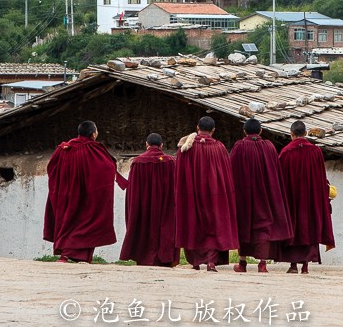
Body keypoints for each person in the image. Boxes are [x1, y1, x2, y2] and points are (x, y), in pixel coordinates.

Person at [43, 120, 128, 263]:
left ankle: (69, 255)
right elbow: (107, 168)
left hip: (67, 195)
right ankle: (74, 255)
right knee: (88, 222)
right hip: (87, 196)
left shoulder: (64, 148)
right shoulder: (94, 149)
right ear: (93, 134)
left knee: (68, 221)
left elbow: (52, 169)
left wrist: (62, 187)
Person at [229, 118, 293, 273]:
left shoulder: (239, 147)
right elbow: (276, 172)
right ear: (260, 131)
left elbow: (231, 172)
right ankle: (262, 264)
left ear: (244, 131)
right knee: (263, 226)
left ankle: (242, 263)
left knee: (243, 225)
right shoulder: (269, 147)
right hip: (265, 194)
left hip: (244, 195)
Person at [175, 116, 238, 272]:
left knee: (194, 223)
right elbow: (226, 176)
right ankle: (211, 262)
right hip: (215, 195)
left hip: (192, 194)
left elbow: (179, 175)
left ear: (197, 127)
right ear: (213, 130)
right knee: (214, 224)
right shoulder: (219, 148)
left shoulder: (186, 148)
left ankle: (195, 262)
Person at [277, 120, 335, 274]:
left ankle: (293, 265)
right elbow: (321, 177)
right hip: (311, 199)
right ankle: (305, 265)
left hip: (292, 199)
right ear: (306, 133)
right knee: (309, 227)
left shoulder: (285, 152)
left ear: (291, 134)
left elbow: (280, 179)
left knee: (295, 228)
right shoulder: (315, 152)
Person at [119, 133, 178, 267]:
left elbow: (132, 190)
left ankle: (143, 258)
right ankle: (164, 258)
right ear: (161, 145)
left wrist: (133, 208)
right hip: (164, 205)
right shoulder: (170, 162)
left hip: (143, 205)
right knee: (163, 227)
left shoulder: (137, 162)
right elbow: (175, 188)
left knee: (144, 227)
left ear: (146, 145)